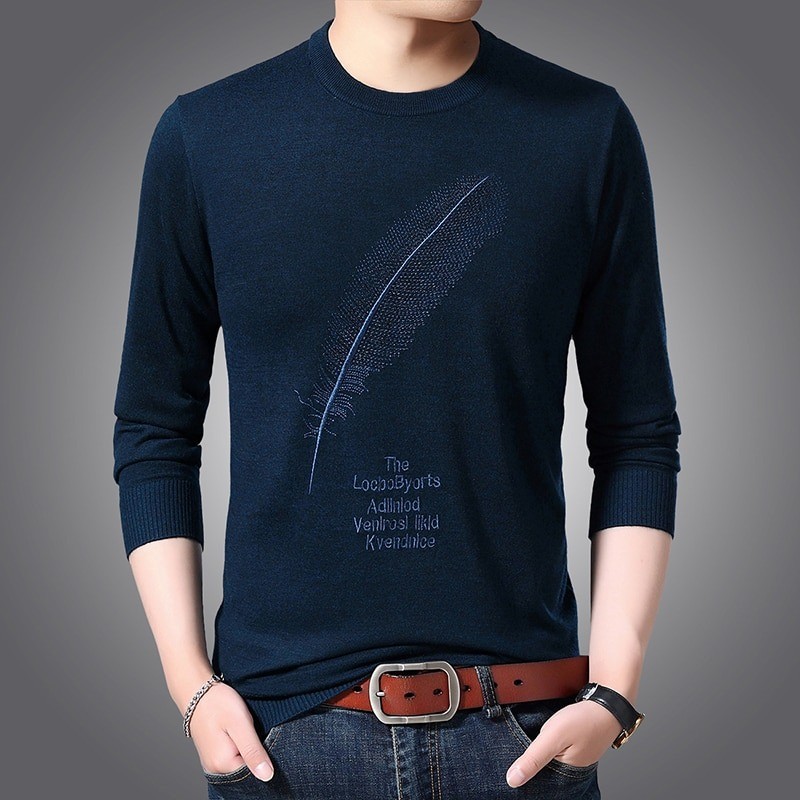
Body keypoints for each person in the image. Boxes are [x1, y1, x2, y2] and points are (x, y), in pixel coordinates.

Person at [112, 1, 681, 797]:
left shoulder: (584, 130)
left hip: (525, 738)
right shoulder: (208, 136)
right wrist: (191, 685)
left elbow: (636, 434)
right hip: (284, 745)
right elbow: (155, 429)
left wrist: (613, 692)